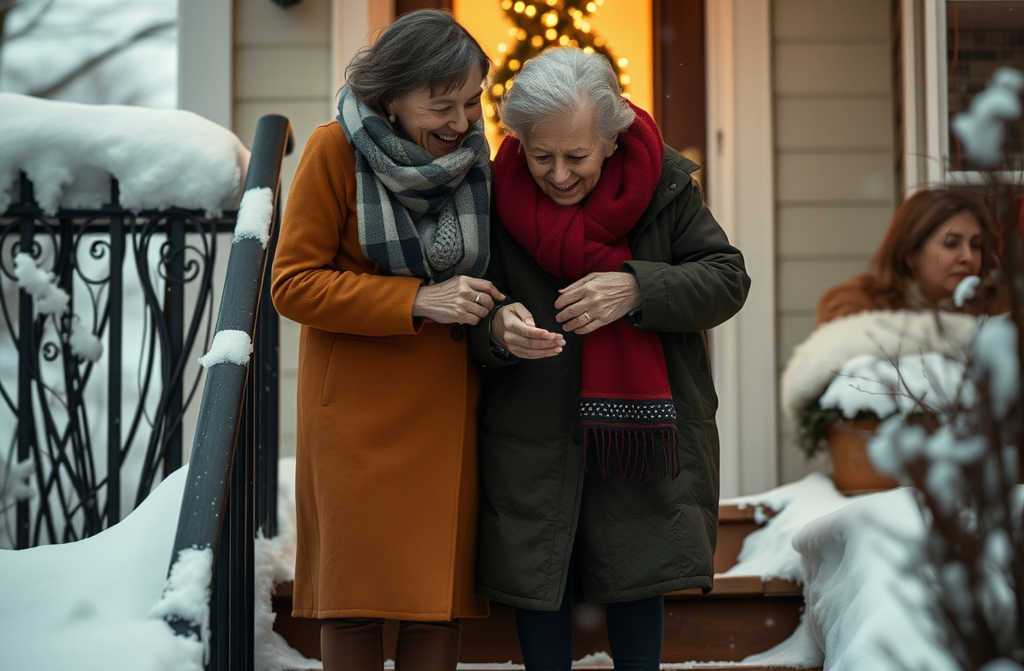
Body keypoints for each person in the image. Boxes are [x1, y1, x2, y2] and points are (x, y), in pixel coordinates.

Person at [468, 48, 750, 670]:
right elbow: (472, 302)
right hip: (533, 427)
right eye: (542, 156)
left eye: (578, 156)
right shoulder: (489, 194)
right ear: (518, 140)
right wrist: (498, 326)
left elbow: (727, 279)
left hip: (639, 431)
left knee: (637, 572)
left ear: (611, 139)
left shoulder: (666, 185)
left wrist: (638, 287)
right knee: (542, 585)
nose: (560, 175)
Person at [270, 10, 501, 670]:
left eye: (471, 101)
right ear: (394, 92)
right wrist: (417, 299)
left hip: (446, 409)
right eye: (442, 104)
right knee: (355, 598)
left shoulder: (476, 160)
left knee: (436, 601)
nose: (461, 122)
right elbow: (292, 283)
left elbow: (495, 271)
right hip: (354, 418)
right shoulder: (331, 150)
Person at [816, 188, 1000, 326]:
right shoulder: (860, 305)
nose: (968, 257)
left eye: (976, 245)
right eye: (951, 244)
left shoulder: (994, 310)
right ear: (911, 252)